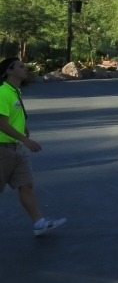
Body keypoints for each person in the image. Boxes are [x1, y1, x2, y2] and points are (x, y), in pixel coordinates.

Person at [0, 58, 66, 236]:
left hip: (15, 149)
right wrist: (25, 140)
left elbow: (11, 117)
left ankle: (40, 223)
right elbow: (1, 124)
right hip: (2, 149)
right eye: (21, 66)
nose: (25, 69)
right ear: (9, 71)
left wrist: (23, 129)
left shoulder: (15, 91)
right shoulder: (2, 92)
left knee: (26, 185)